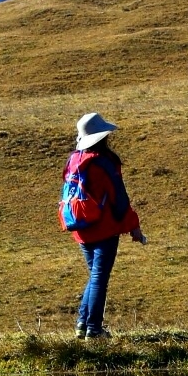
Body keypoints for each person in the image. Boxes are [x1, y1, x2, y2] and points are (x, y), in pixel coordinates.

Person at [60, 112, 145, 338]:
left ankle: (82, 325)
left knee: (95, 275)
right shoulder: (104, 163)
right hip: (104, 228)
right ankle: (94, 330)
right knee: (99, 278)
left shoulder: (74, 161)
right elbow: (119, 199)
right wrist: (133, 226)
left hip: (80, 227)